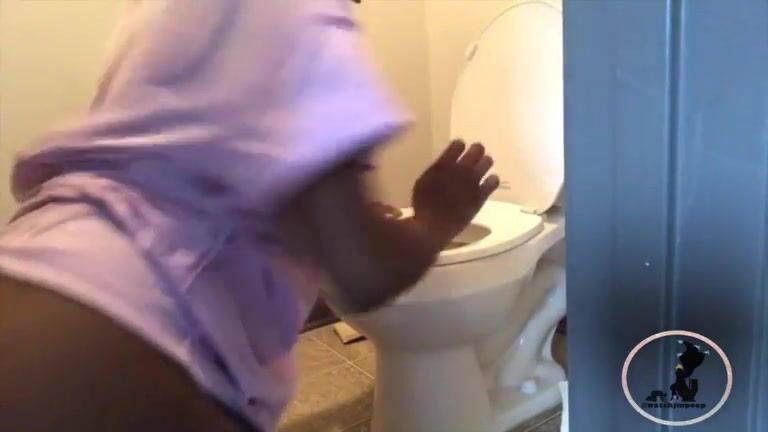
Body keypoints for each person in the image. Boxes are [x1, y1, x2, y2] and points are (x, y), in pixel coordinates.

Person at [0, 0, 499, 431]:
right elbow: (364, 274)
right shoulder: (297, 9)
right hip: (121, 338)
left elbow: (192, 172)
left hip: (46, 270)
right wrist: (436, 218)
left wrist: (334, 215)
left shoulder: (172, 14)